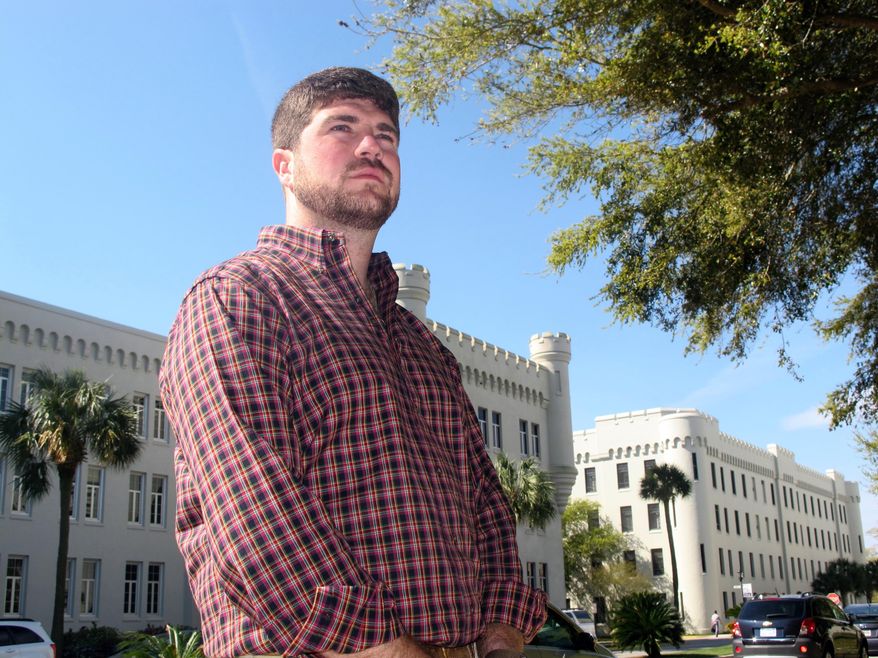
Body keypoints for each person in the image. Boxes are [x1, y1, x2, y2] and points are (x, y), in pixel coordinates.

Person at [160, 67, 547, 658]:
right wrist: (388, 650)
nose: (373, 145)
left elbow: (485, 506)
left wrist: (501, 632)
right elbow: (256, 513)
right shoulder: (237, 298)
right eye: (343, 127)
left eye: (387, 135)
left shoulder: (426, 350)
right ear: (284, 165)